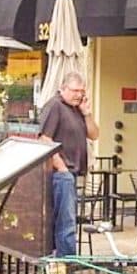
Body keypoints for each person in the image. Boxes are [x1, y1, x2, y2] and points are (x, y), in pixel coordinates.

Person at [39, 72, 100, 256]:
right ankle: (67, 263)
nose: (79, 95)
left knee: (68, 221)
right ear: (63, 88)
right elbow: (45, 139)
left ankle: (65, 261)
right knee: (67, 223)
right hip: (61, 175)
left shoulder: (76, 109)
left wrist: (87, 113)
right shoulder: (55, 106)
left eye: (82, 91)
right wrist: (62, 168)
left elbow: (94, 135)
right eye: (74, 90)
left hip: (73, 174)